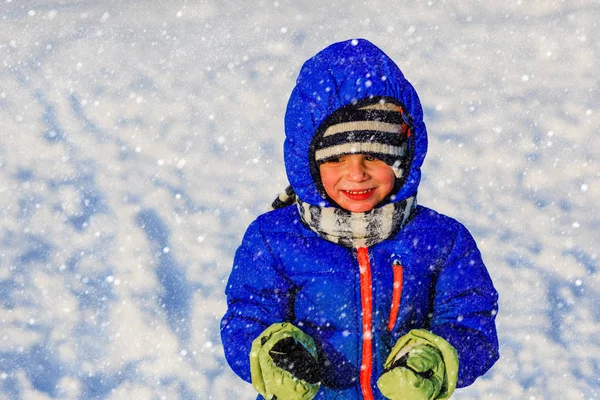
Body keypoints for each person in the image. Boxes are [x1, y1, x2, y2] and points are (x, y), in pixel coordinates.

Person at [220, 38, 499, 400]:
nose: (357, 174)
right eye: (336, 159)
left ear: (404, 157)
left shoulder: (441, 241)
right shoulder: (274, 239)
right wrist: (276, 353)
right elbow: (246, 319)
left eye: (375, 156)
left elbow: (473, 324)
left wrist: (435, 358)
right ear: (308, 162)